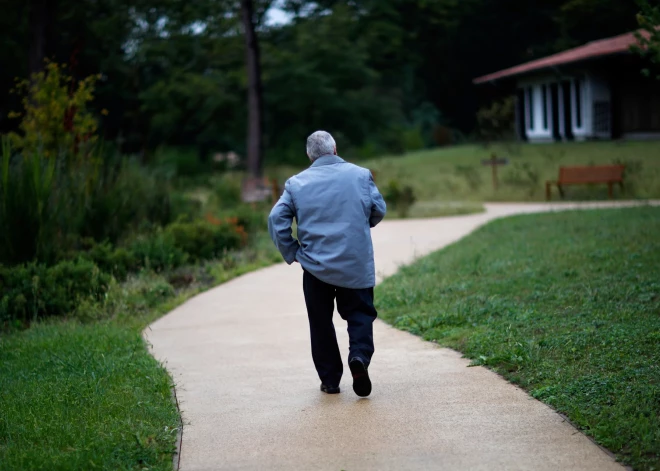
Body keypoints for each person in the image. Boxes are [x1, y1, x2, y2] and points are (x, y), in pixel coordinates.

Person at [268, 130, 387, 397]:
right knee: (359, 314)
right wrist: (361, 225)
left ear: (310, 156)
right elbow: (378, 210)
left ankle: (330, 380)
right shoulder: (360, 174)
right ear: (335, 149)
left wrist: (293, 252)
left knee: (320, 322)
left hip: (314, 267)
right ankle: (359, 357)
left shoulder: (296, 184)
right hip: (354, 263)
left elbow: (276, 220)